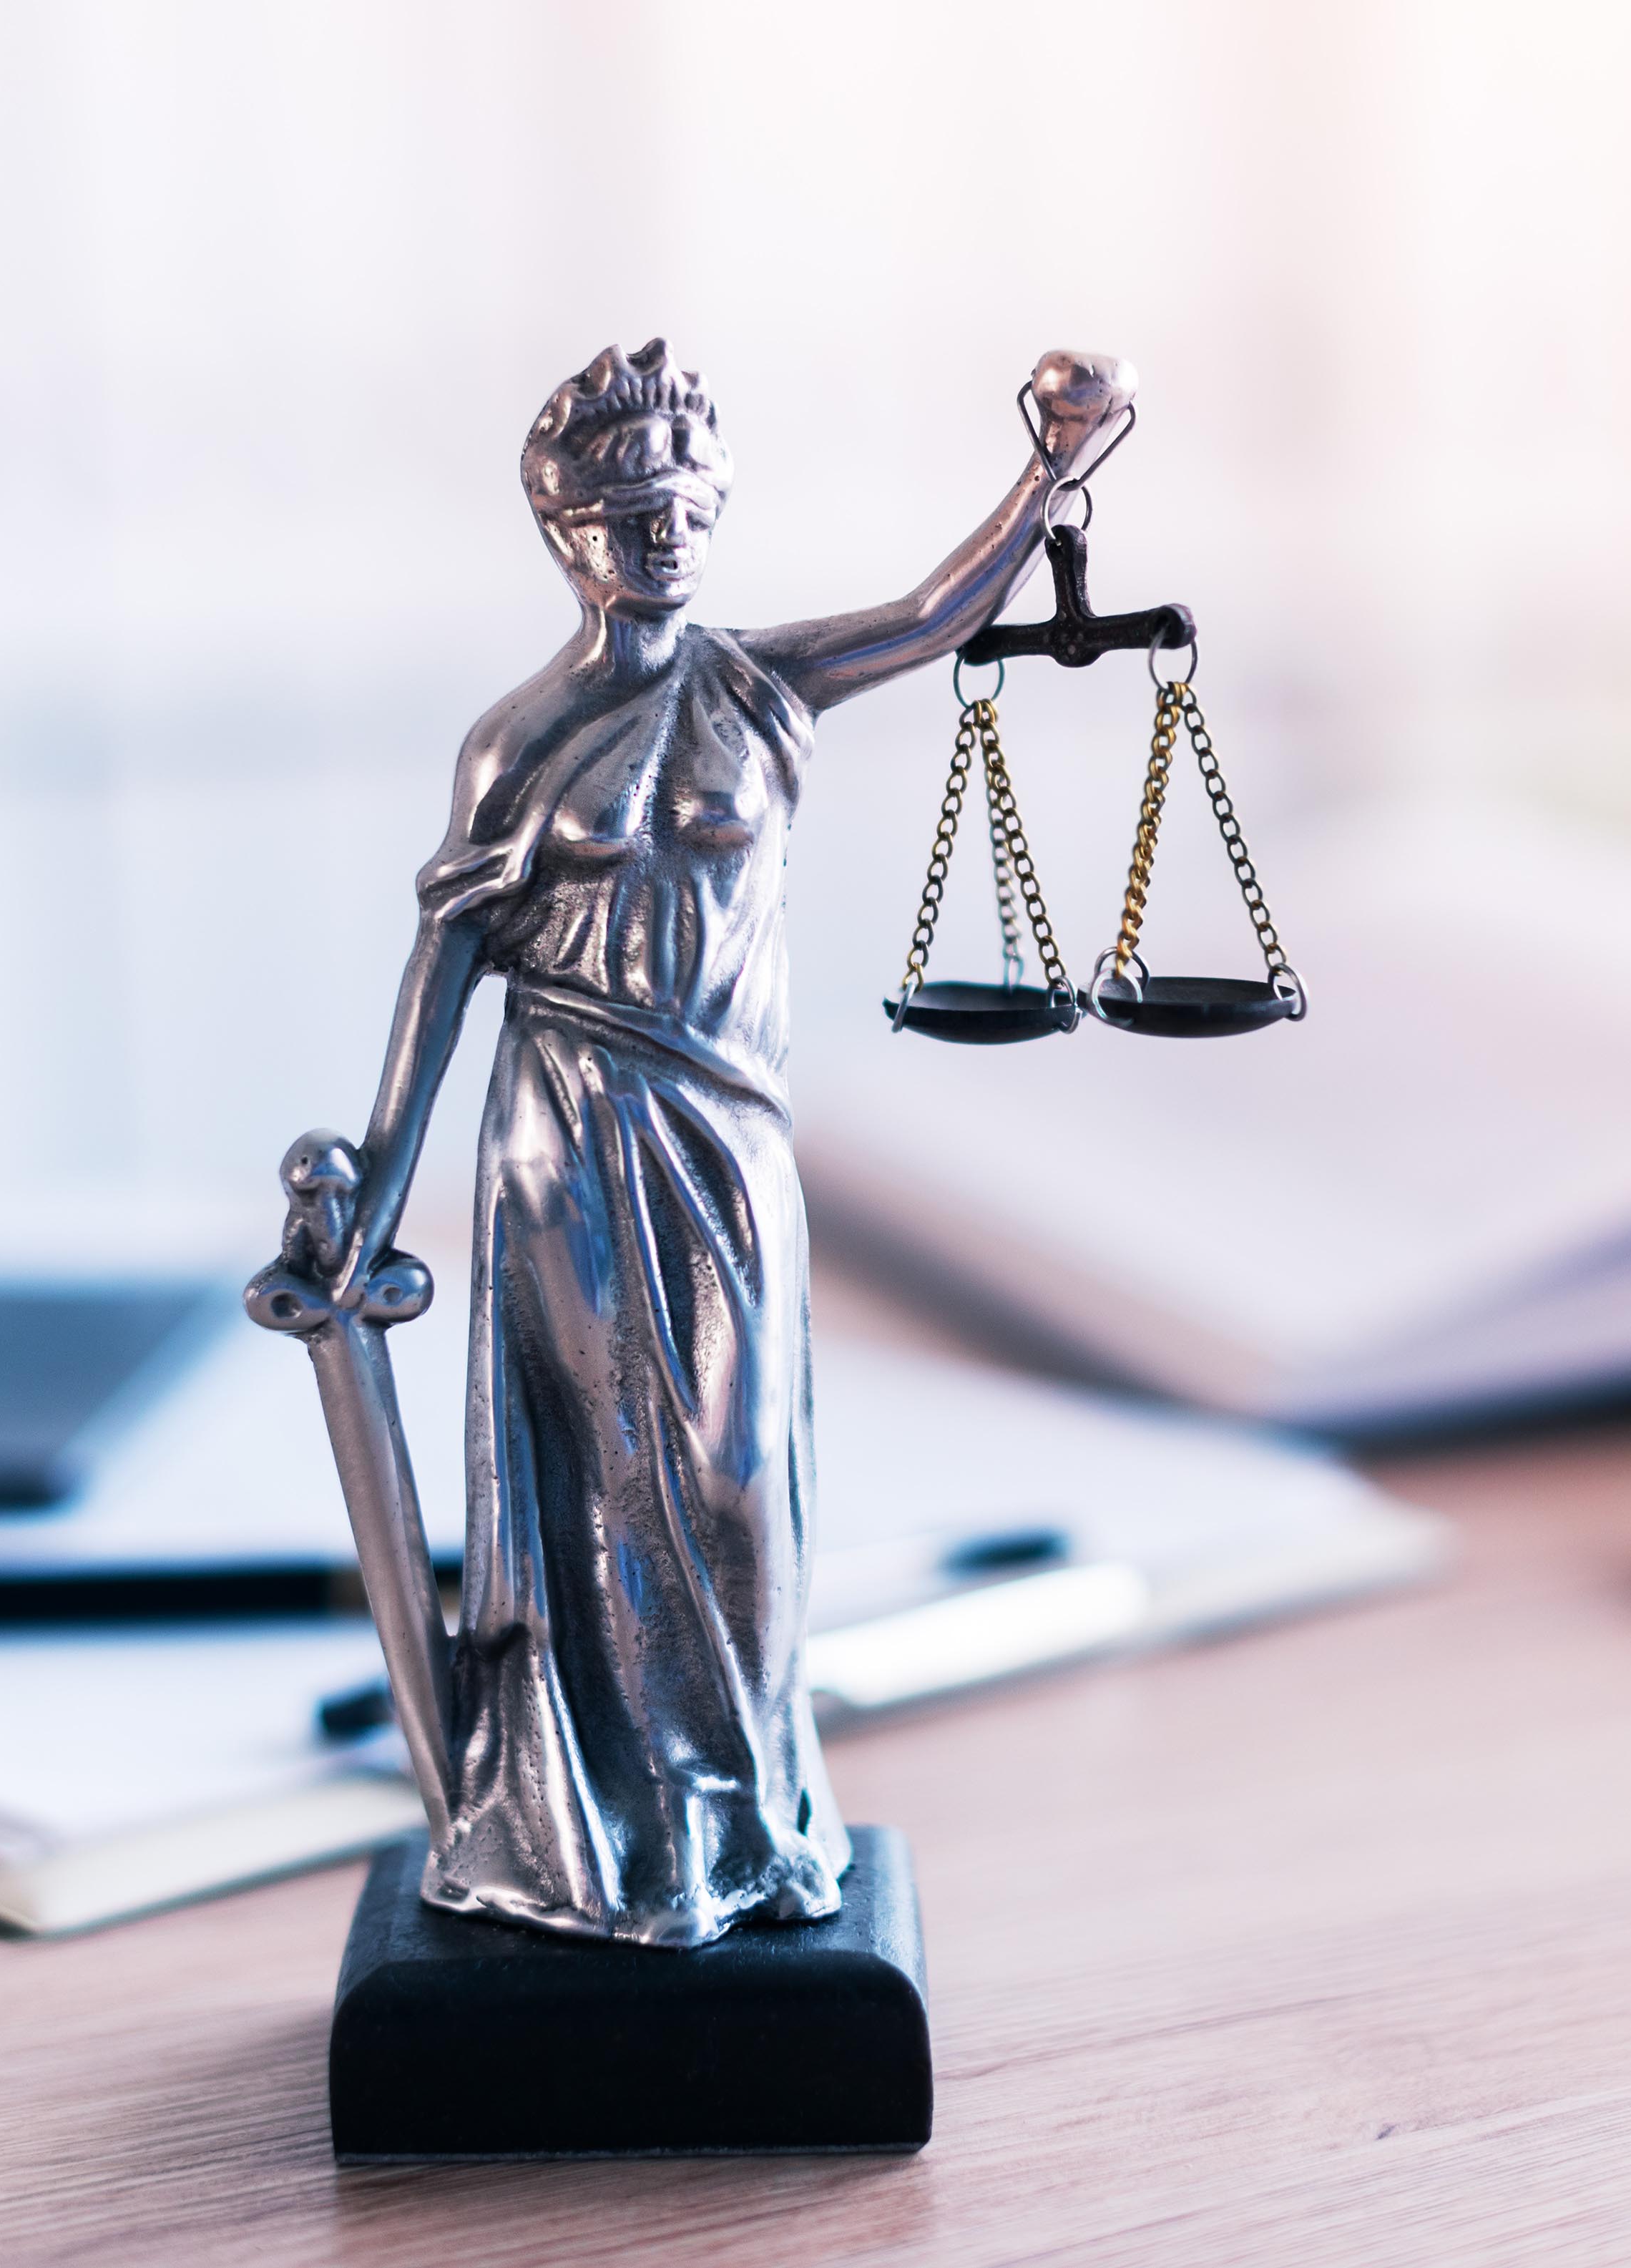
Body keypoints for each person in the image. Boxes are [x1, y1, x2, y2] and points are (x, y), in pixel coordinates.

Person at [311, 338, 1135, 1946]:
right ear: (565, 532)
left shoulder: (757, 683)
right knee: (610, 1487)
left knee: (736, 1481)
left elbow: (930, 617)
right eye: (625, 510)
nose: (661, 530)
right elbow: (448, 965)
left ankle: (744, 1815)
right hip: (571, 1124)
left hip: (725, 1126)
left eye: (684, 501)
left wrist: (1046, 474)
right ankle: (621, 1844)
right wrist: (374, 1194)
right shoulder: (516, 742)